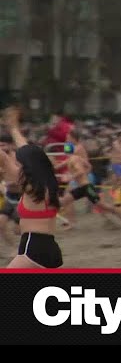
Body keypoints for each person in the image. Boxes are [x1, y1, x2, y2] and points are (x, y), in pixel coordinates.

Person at [3, 107, 63, 268]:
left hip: (33, 249)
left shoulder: (30, 186)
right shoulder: (45, 183)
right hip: (49, 248)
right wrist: (14, 128)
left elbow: (3, 159)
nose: (17, 163)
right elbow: (29, 153)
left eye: (19, 161)